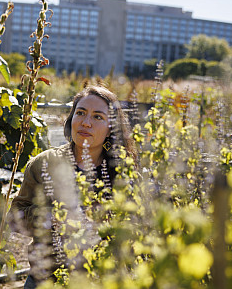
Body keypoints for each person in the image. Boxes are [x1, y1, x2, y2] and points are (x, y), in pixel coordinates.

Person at [8, 85, 137, 288]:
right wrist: (52, 217)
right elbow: (15, 217)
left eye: (98, 117)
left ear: (111, 127)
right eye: (81, 113)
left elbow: (136, 230)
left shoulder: (122, 171)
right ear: (71, 119)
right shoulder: (45, 163)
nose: (86, 123)